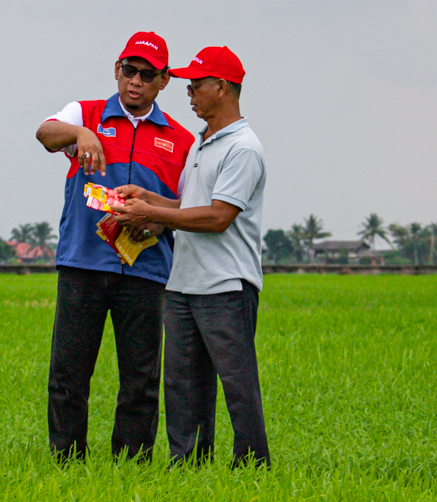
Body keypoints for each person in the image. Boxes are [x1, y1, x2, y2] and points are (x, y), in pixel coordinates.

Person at [35, 31, 194, 462]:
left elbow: (187, 207)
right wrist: (82, 134)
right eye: (129, 70)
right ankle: (66, 460)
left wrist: (157, 223)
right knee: (69, 372)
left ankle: (132, 463)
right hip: (83, 264)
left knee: (140, 378)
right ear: (117, 70)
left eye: (147, 74)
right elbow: (46, 133)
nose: (135, 81)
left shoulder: (181, 140)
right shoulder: (84, 112)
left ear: (163, 81)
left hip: (144, 270)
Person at [111, 46, 270, 467]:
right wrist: (150, 202)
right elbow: (189, 205)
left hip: (225, 285)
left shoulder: (243, 148)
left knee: (237, 385)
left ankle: (253, 467)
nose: (189, 93)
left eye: (196, 85)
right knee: (182, 385)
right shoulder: (204, 144)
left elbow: (219, 216)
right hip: (183, 283)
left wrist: (154, 213)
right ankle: (188, 466)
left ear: (221, 88)